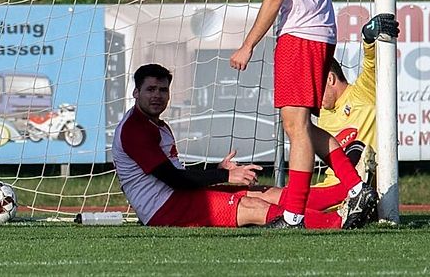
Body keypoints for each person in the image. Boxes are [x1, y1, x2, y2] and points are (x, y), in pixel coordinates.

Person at [229, 0, 375, 228]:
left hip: (301, 33)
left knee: (295, 125)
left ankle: (294, 212)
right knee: (300, 124)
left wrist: (248, 45)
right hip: (320, 28)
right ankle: (355, 184)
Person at [113, 64, 349, 229]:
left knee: (268, 193)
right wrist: (225, 174)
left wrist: (218, 168)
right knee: (252, 206)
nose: (157, 96)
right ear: (136, 92)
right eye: (150, 90)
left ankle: (347, 194)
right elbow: (174, 179)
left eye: (162, 90)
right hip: (163, 210)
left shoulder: (155, 124)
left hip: (177, 197)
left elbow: (176, 178)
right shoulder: (134, 128)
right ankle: (337, 223)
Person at [252, 13, 398, 214]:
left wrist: (368, 39)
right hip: (329, 188)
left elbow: (373, 64)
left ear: (329, 79)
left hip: (348, 190)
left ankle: (352, 202)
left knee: (266, 200)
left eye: (314, 86)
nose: (311, 94)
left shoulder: (363, 92)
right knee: (257, 194)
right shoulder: (322, 115)